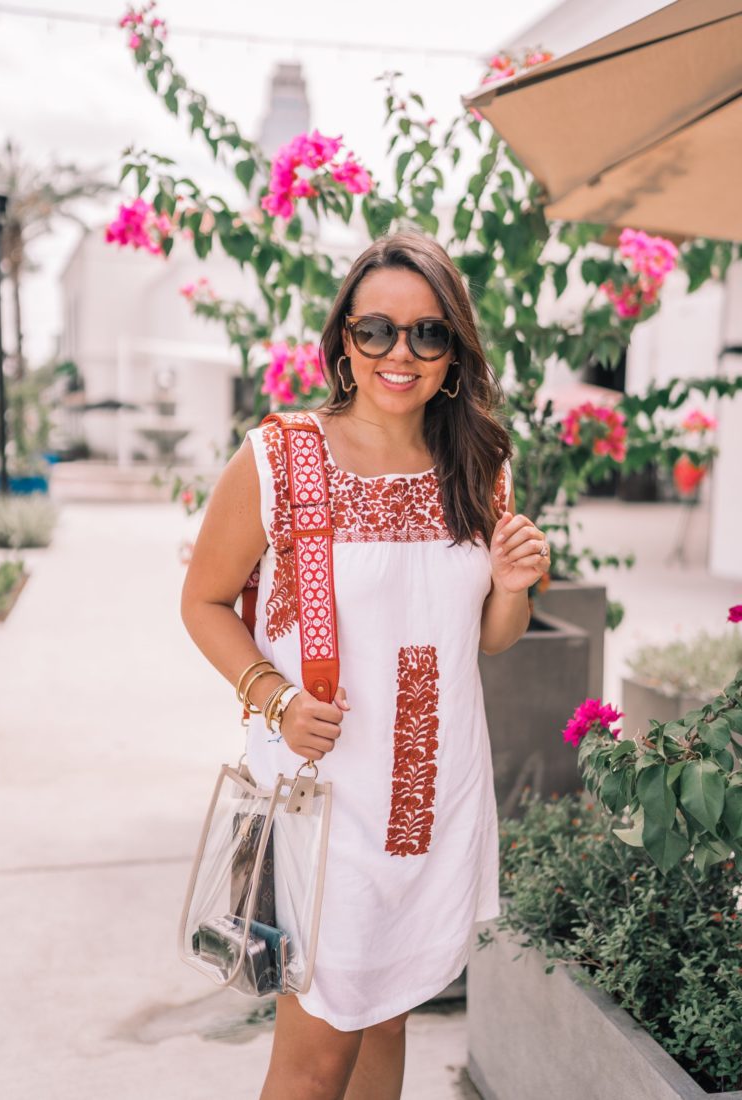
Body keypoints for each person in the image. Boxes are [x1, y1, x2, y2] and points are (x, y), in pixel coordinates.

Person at [180, 229, 550, 1100]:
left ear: (454, 353)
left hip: (428, 805)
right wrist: (271, 697)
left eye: (428, 333)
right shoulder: (281, 458)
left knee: (388, 1019)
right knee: (315, 1064)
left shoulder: (482, 464)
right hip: (321, 808)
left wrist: (511, 584)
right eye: (375, 328)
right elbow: (202, 601)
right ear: (343, 338)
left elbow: (492, 636)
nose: (399, 352)